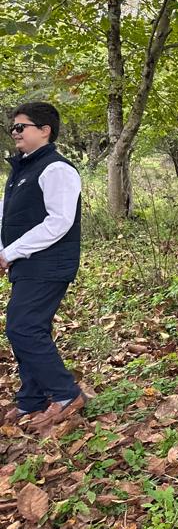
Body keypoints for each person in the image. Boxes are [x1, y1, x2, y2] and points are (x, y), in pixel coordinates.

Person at [1, 102, 85, 434]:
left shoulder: (57, 169)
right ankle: (31, 400)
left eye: (21, 127)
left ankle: (66, 394)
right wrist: (5, 253)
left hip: (49, 264)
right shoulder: (22, 169)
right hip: (26, 263)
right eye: (13, 127)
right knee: (31, 327)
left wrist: (11, 253)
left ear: (45, 130)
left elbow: (59, 222)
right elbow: (8, 215)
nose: (14, 133)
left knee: (22, 327)